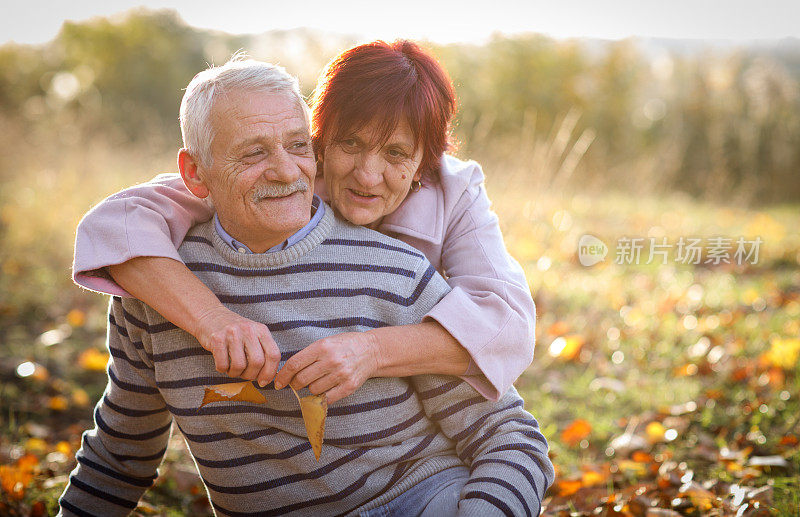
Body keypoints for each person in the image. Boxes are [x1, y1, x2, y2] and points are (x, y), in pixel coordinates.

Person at [59, 58, 554, 516]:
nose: (285, 169)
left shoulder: (401, 269)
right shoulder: (156, 283)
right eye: (254, 153)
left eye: (296, 147)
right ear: (196, 173)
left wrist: (373, 350)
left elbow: (507, 417)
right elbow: (121, 451)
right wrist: (212, 318)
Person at [72, 40, 536, 403]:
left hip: (420, 411)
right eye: (350, 144)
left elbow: (507, 326)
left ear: (424, 162)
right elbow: (118, 223)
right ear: (319, 137)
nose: (367, 175)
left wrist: (370, 350)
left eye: (395, 153)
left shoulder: (454, 191)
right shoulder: (284, 175)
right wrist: (212, 319)